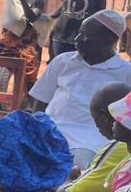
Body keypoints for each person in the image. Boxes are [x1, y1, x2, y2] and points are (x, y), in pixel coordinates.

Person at [27, 11, 131, 169]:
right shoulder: (63, 61)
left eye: (85, 35)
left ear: (109, 40)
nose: (77, 39)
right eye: (79, 33)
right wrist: (36, 130)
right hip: (50, 130)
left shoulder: (125, 73)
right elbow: (40, 102)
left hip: (90, 139)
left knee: (78, 164)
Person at [50, 83, 131, 192]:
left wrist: (69, 179)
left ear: (103, 116)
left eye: (118, 118)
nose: (115, 122)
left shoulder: (115, 149)